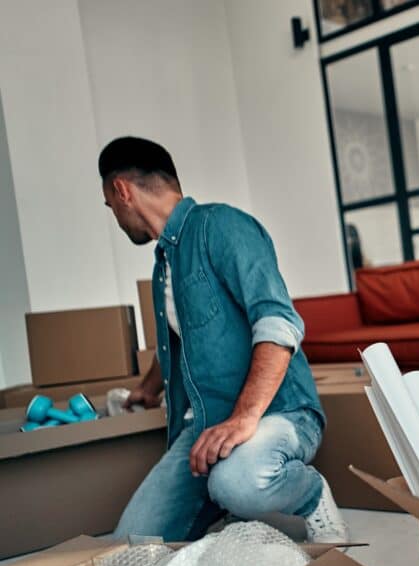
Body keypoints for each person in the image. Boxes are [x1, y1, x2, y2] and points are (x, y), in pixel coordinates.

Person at [98, 136, 348, 543]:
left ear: (121, 190)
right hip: (206, 430)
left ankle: (311, 495)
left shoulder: (222, 226)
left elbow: (278, 323)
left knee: (238, 481)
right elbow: (182, 343)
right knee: (133, 545)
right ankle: (224, 499)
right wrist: (147, 389)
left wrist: (244, 418)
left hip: (277, 413)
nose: (116, 216)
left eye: (110, 206)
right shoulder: (164, 266)